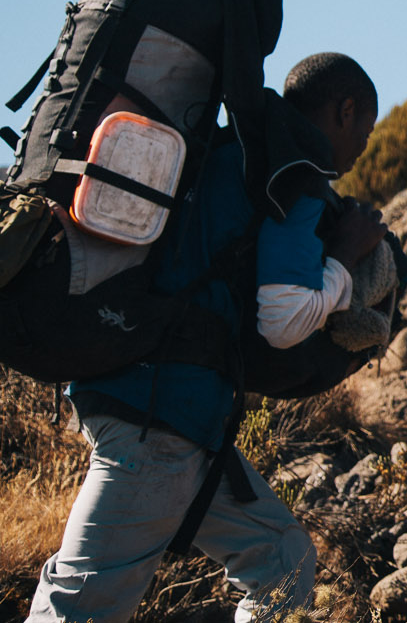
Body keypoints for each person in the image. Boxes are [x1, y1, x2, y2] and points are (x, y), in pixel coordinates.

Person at [29, 53, 387, 622]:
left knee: (283, 561)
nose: (363, 147)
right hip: (162, 420)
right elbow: (282, 317)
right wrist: (346, 253)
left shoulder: (228, 150)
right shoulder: (294, 172)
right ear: (345, 110)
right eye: (365, 131)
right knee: (81, 607)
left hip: (169, 411)